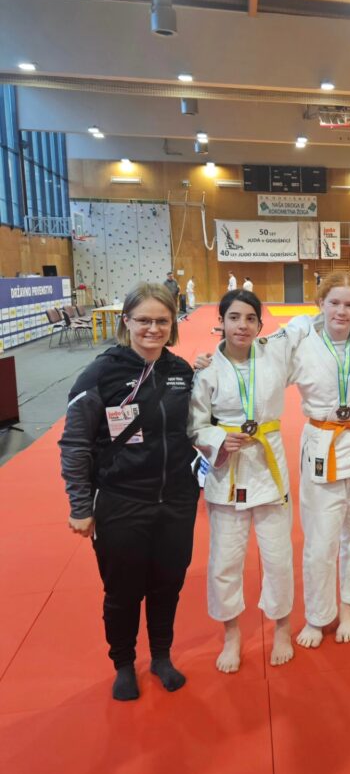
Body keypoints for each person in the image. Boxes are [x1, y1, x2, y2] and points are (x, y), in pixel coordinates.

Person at [59, 283, 199, 701]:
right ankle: (123, 663)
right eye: (144, 320)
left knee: (168, 585)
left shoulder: (181, 372)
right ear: (127, 322)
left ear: (172, 324)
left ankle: (161, 656)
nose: (153, 329)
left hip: (176, 501)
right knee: (122, 592)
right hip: (121, 501)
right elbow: (75, 444)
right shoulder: (101, 374)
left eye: (162, 321)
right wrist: (80, 506)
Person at [189, 289, 309, 671]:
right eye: (234, 317)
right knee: (225, 561)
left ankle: (282, 627)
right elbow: (195, 426)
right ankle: (232, 634)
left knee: (278, 558)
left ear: (260, 324)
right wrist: (217, 439)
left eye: (250, 318)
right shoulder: (207, 370)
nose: (242, 325)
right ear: (220, 322)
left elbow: (312, 322)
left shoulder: (274, 353)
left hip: (269, 468)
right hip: (228, 471)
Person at [290, 272, 350, 648]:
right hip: (323, 445)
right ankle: (317, 616)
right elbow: (261, 362)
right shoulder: (301, 345)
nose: (342, 311)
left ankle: (349, 607)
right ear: (320, 303)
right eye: (334, 303)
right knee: (320, 540)